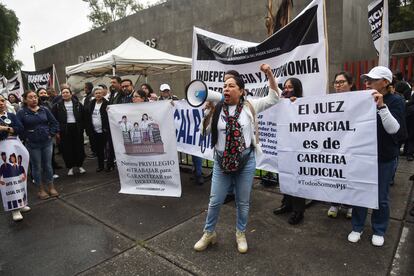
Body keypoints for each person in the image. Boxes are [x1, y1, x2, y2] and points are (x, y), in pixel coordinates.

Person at [193, 64, 280, 254]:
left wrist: (269, 74)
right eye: (224, 85)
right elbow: (203, 131)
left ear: (241, 91)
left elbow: (274, 97)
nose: (226, 88)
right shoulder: (217, 109)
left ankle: (240, 233)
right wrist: (208, 111)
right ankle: (209, 233)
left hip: (245, 162)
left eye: (231, 85)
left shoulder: (250, 106)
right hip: (221, 162)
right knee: (215, 201)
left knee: (242, 201)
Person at [348, 66, 405, 247]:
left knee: (380, 196)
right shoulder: (361, 99)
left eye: (372, 80)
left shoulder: (395, 100)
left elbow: (394, 130)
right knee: (360, 193)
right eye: (367, 80)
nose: (368, 83)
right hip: (362, 155)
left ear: (385, 83)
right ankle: (357, 227)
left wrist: (381, 106)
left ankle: (379, 229)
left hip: (384, 157)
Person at [272, 77, 306, 225]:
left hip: (297, 148)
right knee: (285, 176)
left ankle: (298, 211)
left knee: (296, 179)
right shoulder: (282, 103)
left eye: (290, 87)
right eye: (285, 87)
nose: (286, 89)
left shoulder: (303, 104)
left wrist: (295, 105)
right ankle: (287, 204)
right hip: (283, 147)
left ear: (297, 89)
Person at [17, 90, 59, 199]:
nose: (34, 99)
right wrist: (26, 137)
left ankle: (51, 186)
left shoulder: (44, 109)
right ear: (25, 100)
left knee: (48, 165)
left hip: (47, 142)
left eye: (35, 97)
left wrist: (51, 133)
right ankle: (40, 189)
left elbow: (54, 123)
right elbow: (19, 128)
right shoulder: (22, 112)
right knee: (36, 167)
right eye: (30, 97)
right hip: (32, 144)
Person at [326, 71, 355, 219]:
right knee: (335, 175)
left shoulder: (359, 100)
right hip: (333, 145)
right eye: (336, 82)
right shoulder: (328, 101)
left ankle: (350, 205)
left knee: (348, 175)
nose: (338, 85)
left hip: (351, 145)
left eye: (342, 82)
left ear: (350, 84)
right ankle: (335, 203)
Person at [0, 94, 31, 221]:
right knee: (9, 178)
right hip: (3, 150)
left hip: (17, 147)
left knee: (20, 176)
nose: (1, 103)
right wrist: (11, 130)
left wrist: (5, 128)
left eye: (2, 100)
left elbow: (20, 129)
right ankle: (14, 209)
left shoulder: (11, 115)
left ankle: (22, 202)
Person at [52, 87, 86, 176]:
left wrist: (82, 127)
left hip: (77, 128)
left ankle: (79, 166)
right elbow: (54, 119)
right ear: (61, 95)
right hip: (64, 129)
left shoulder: (78, 104)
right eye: (63, 93)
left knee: (79, 147)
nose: (65, 94)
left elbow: (84, 116)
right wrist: (57, 131)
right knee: (67, 149)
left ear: (71, 94)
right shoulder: (57, 105)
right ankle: (70, 167)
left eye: (67, 92)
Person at [86, 87, 109, 172]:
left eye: (100, 93)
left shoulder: (107, 103)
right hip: (95, 131)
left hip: (104, 130)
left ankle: (109, 165)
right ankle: (101, 166)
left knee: (107, 149)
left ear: (103, 94)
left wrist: (106, 128)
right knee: (99, 150)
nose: (98, 94)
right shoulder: (91, 103)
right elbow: (88, 116)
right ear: (94, 95)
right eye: (96, 93)